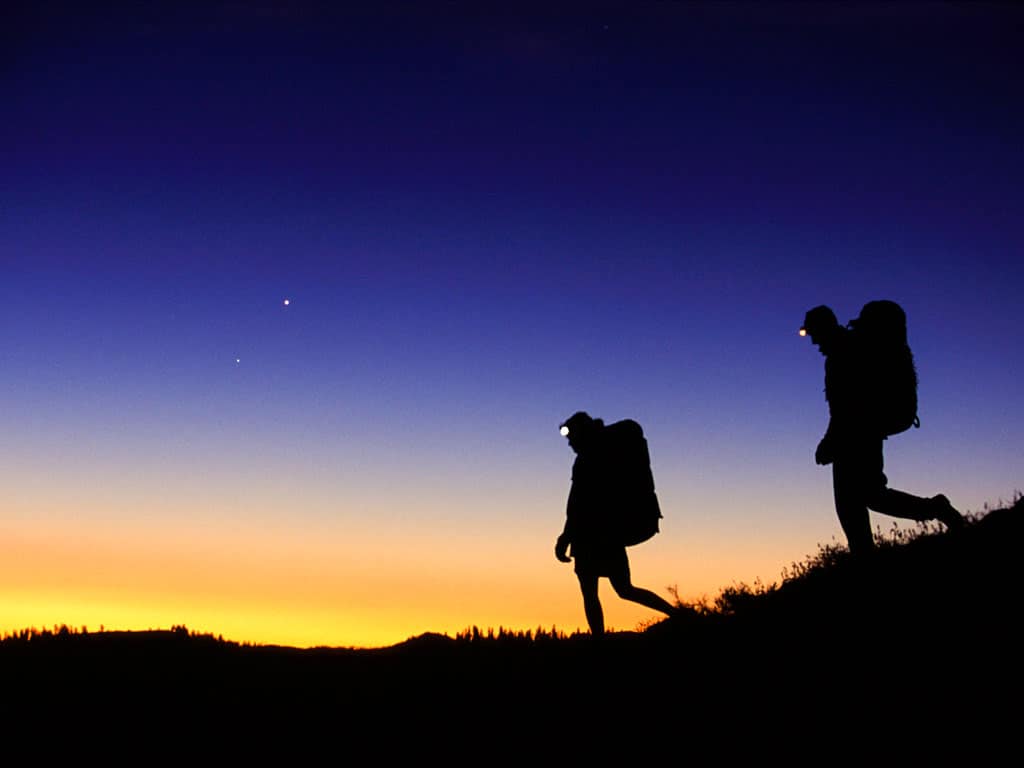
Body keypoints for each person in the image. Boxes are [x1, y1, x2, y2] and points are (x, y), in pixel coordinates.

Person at [801, 304, 965, 554]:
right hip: (865, 427)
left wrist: (829, 442)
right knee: (868, 495)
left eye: (812, 333)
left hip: (860, 429)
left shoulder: (843, 354)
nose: (813, 341)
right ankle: (932, 510)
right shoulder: (851, 348)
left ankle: (869, 553)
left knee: (854, 499)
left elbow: (846, 406)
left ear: (825, 328)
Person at [554, 411, 676, 635]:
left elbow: (576, 503)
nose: (570, 444)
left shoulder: (587, 460)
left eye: (572, 438)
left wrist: (565, 537)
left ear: (582, 433)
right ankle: (681, 615)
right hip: (609, 532)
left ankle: (599, 643)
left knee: (593, 593)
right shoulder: (606, 451)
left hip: (591, 535)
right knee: (624, 589)